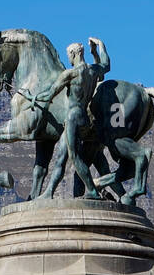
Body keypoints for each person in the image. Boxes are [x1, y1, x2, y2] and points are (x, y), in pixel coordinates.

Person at [42, 37, 110, 198]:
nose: (69, 58)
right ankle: (49, 192)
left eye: (69, 55)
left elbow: (50, 93)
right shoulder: (93, 70)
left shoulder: (71, 74)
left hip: (72, 117)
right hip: (84, 118)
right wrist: (100, 46)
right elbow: (107, 65)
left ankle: (92, 190)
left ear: (74, 53)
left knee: (74, 157)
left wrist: (32, 98)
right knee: (61, 157)